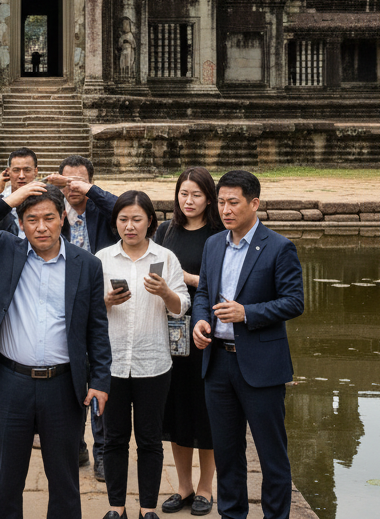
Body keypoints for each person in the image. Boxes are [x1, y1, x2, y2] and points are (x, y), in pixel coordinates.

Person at [0, 180, 112, 519]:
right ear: (21, 223)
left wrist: (100, 379)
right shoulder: (5, 250)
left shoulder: (86, 264)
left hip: (64, 385)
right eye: (31, 219)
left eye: (49, 218)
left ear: (62, 218)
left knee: (65, 480)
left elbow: (96, 327)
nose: (41, 227)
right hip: (11, 383)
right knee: (7, 480)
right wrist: (8, 199)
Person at [192, 171, 304, 519]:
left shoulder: (279, 247)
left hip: (261, 365)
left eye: (233, 202)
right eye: (220, 202)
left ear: (254, 203)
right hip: (217, 364)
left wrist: (247, 313)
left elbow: (294, 302)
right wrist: (200, 320)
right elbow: (204, 293)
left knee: (272, 455)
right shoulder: (213, 244)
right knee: (227, 453)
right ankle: (232, 514)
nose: (225, 210)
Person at [97, 191, 188, 519]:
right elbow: (87, 311)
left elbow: (181, 308)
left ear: (150, 221)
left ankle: (147, 508)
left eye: (137, 219)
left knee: (150, 440)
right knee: (114, 438)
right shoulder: (102, 259)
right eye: (123, 219)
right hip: (112, 364)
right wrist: (106, 302)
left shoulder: (166, 257)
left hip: (154, 363)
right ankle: (116, 507)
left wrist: (165, 292)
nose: (130, 226)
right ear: (115, 222)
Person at [153, 167, 225, 516]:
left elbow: (224, 284)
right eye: (184, 193)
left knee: (205, 411)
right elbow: (155, 272)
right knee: (176, 409)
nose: (189, 200)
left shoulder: (219, 235)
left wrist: (186, 278)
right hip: (169, 331)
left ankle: (205, 487)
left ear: (209, 198)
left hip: (205, 331)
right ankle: (183, 486)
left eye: (197, 194)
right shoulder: (166, 231)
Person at [47, 154, 117, 480]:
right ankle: (76, 445)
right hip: (62, 309)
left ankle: (103, 451)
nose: (72, 187)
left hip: (104, 307)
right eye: (67, 181)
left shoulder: (102, 213)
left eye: (80, 181)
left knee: (100, 378)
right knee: (69, 379)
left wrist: (89, 190)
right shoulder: (53, 214)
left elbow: (124, 208)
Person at [0, 147, 39, 237]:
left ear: (35, 172)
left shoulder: (47, 197)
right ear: (8, 172)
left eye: (27, 170)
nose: (21, 176)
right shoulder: (0, 199)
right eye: (16, 170)